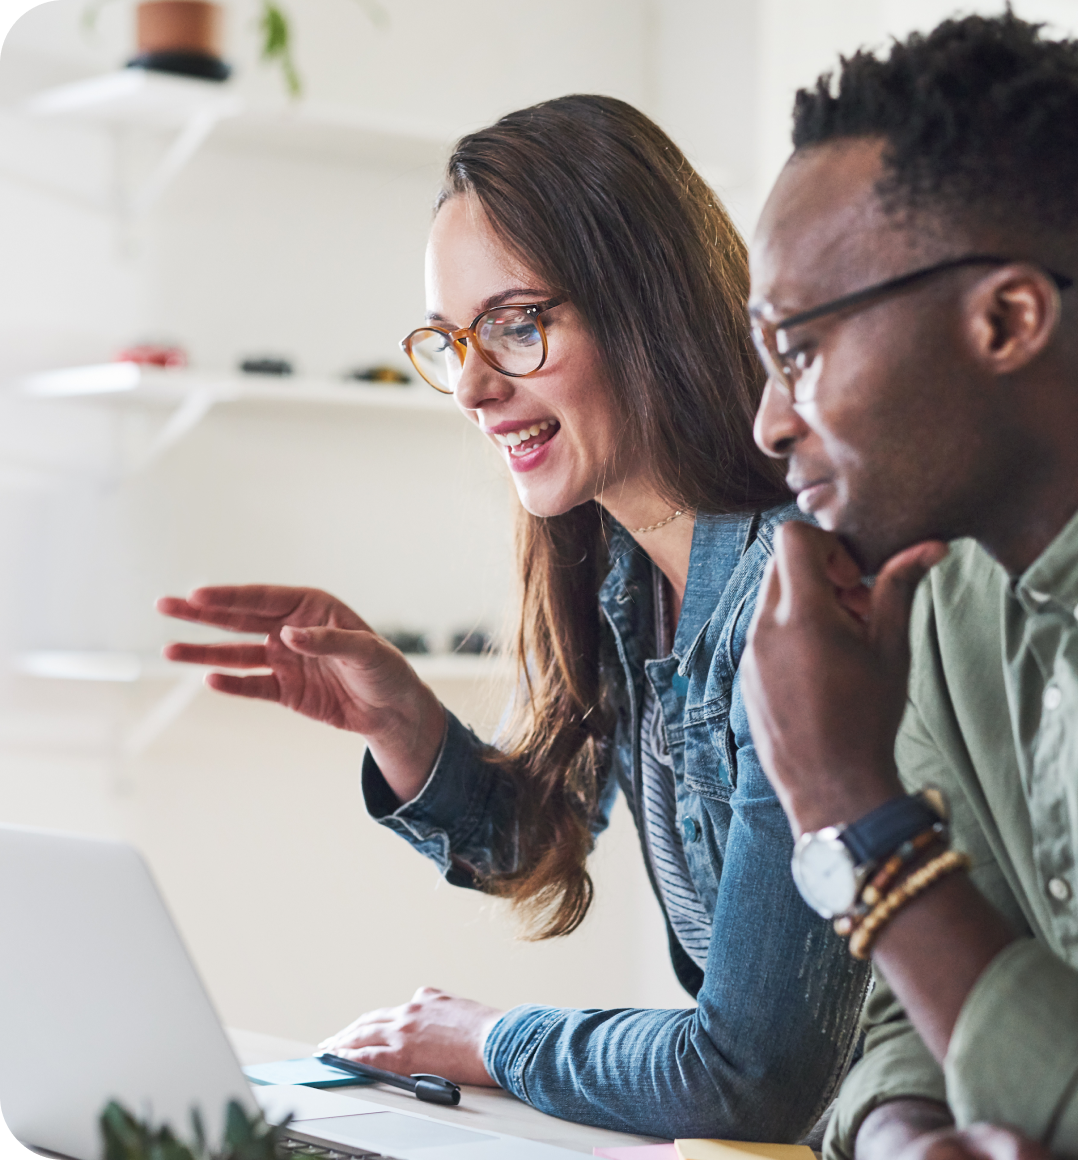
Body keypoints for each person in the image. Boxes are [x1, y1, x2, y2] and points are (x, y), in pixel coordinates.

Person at [158, 95, 869, 1143]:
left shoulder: (797, 595)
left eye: (517, 325)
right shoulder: (622, 566)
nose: (472, 386)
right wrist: (405, 723)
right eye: (452, 339)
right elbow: (537, 843)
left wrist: (489, 1038)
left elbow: (749, 1073)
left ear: (647, 304)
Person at [739, 12, 1078, 1160]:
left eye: (797, 350)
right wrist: (899, 1133)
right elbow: (915, 991)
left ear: (1004, 318)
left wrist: (844, 798)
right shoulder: (941, 595)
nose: (768, 420)